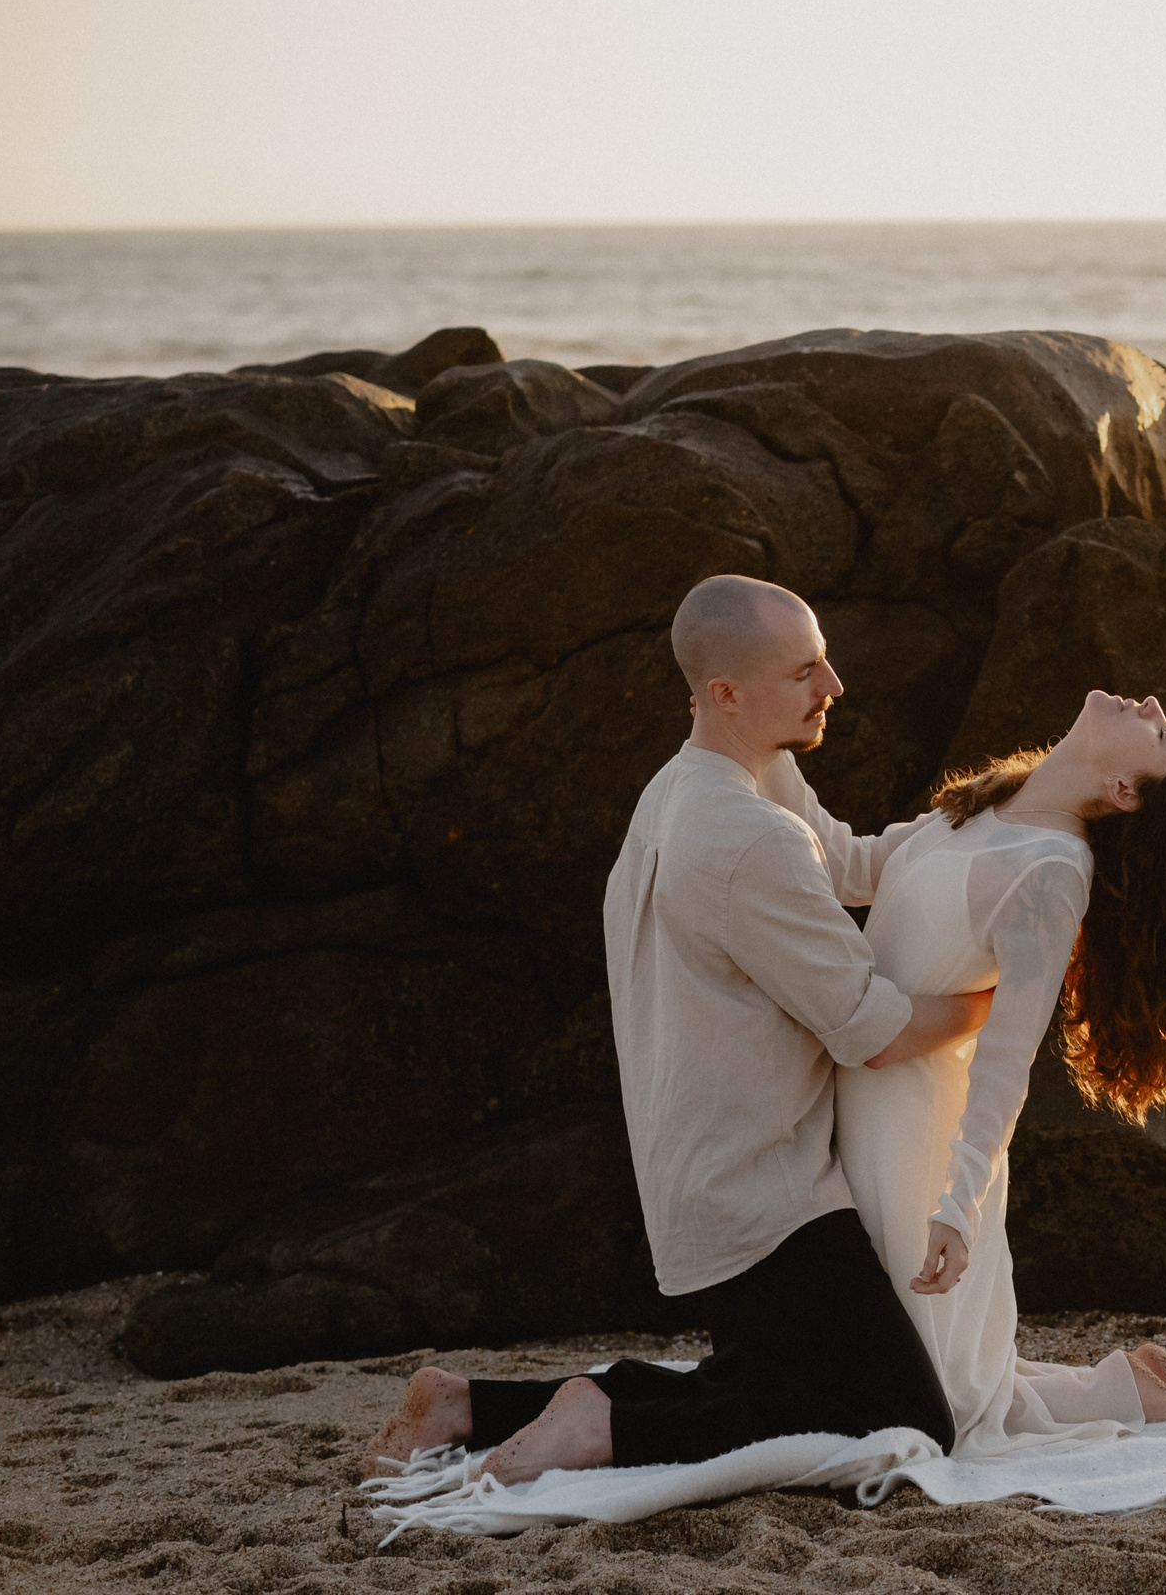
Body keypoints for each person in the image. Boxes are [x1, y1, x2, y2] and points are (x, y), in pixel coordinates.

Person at [359, 575, 992, 1482]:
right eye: (806, 668)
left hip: (709, 1162)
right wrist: (1003, 999)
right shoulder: (741, 836)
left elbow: (853, 862)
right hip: (761, 1187)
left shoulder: (723, 775)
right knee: (904, 1421)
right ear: (724, 691)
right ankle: (599, 1428)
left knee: (763, 1374)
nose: (835, 685)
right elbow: (871, 1029)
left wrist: (991, 818)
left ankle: (467, 1404)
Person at [777, 689, 1166, 1453]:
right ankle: (1126, 1383)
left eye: (1163, 737)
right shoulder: (982, 806)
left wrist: (957, 1207)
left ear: (1124, 792)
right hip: (858, 1100)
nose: (1154, 705)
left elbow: (1006, 1061)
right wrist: (764, 752)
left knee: (940, 1401)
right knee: (897, 1374)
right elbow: (848, 866)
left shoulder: (1051, 870)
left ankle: (1130, 1391)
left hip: (915, 1138)